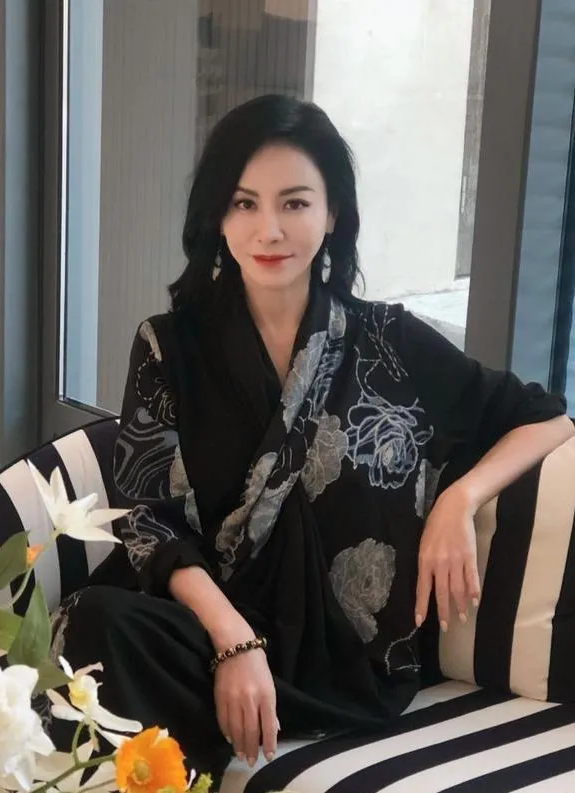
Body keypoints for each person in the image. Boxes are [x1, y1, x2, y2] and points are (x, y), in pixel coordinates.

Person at [50, 94, 572, 780]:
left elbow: (547, 416)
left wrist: (459, 499)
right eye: (244, 203)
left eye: (295, 203)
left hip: (349, 667)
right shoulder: (168, 347)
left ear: (332, 215)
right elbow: (149, 520)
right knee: (97, 624)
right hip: (208, 640)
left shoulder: (391, 341)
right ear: (217, 216)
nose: (269, 229)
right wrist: (234, 642)